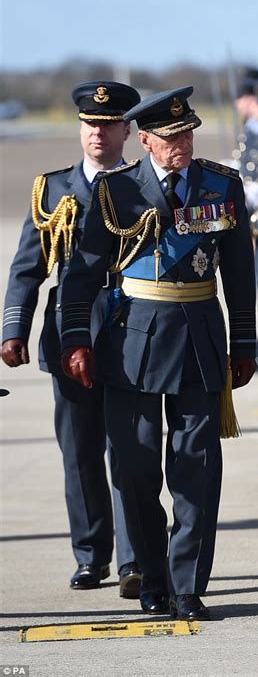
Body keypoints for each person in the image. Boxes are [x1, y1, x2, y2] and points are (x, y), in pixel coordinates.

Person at [59, 86, 257, 620]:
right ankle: (150, 576)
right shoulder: (116, 191)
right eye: (169, 137)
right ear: (144, 140)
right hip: (132, 345)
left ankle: (189, 586)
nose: (181, 144)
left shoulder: (222, 185)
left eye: (187, 133)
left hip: (198, 340)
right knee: (136, 470)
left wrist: (244, 342)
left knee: (196, 470)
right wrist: (75, 338)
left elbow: (240, 272)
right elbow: (81, 272)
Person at [1, 81, 142, 597]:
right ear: (80, 129)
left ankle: (134, 558)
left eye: (108, 125)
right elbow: (26, 269)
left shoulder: (143, 185)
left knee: (128, 447)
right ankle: (90, 554)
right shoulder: (53, 189)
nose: (98, 134)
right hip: (67, 331)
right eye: (90, 125)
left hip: (131, 329)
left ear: (127, 129)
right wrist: (13, 328)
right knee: (79, 450)